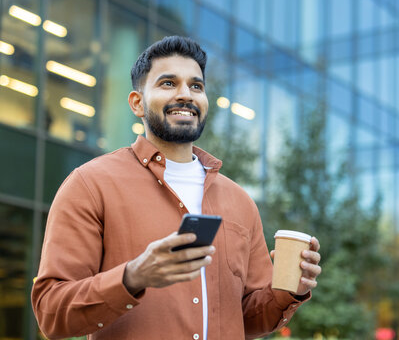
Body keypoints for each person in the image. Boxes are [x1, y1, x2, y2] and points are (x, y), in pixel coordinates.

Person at [31, 36, 322, 340]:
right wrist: (132, 277)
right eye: (168, 83)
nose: (186, 95)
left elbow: (248, 318)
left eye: (196, 86)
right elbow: (51, 313)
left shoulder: (240, 201)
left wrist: (289, 292)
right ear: (137, 103)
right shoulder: (90, 184)